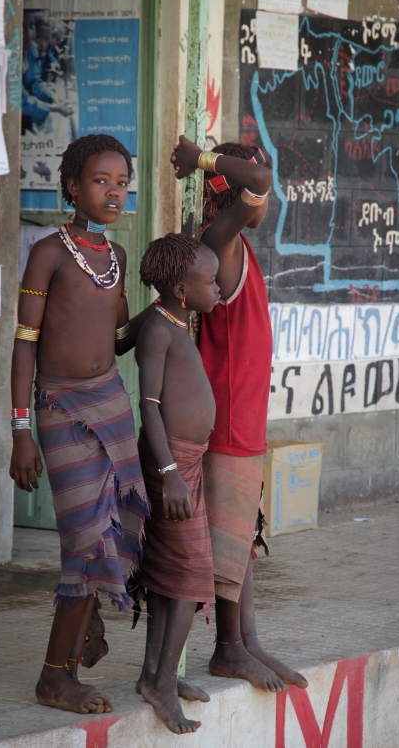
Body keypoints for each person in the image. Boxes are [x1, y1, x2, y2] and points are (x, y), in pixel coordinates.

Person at [9, 133, 152, 715]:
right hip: (62, 410)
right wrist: (21, 431)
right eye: (101, 181)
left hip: (112, 403)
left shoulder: (115, 259)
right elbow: (24, 348)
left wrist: (168, 309)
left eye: (122, 183)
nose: (114, 192)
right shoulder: (47, 252)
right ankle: (53, 677)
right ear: (73, 186)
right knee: (84, 542)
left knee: (119, 531)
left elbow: (116, 340)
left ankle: (78, 641)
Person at [171, 137, 309, 693]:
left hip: (244, 418)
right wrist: (201, 160)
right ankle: (227, 648)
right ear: (229, 199)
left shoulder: (239, 248)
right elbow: (259, 181)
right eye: (253, 189)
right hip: (226, 418)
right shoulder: (218, 243)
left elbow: (257, 181)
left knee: (240, 537)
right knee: (225, 541)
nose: (267, 198)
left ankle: (247, 641)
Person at [134, 233, 220, 734]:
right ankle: (164, 684)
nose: (218, 292)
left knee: (170, 576)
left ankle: (154, 675)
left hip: (185, 465)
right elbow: (149, 405)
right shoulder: (159, 331)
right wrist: (168, 473)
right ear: (183, 290)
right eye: (209, 283)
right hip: (171, 468)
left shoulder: (172, 320)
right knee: (190, 576)